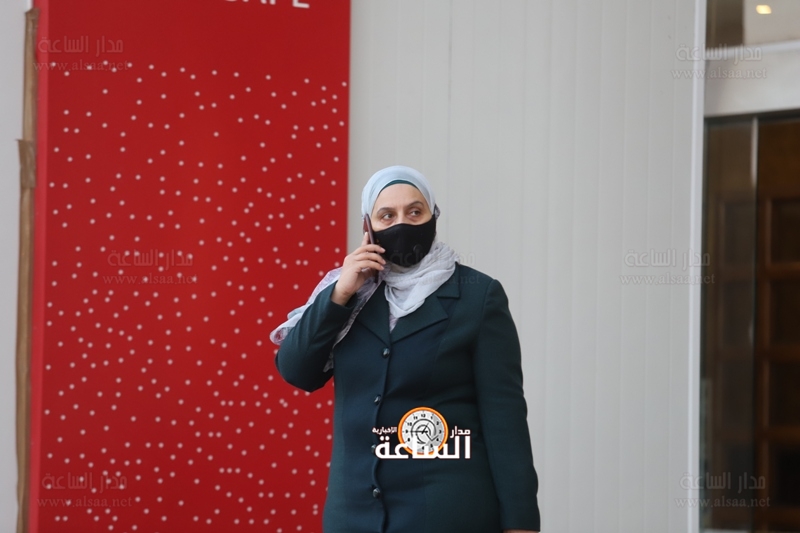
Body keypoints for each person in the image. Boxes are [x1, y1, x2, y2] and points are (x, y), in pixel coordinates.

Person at [271, 166, 540, 533]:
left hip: (447, 514)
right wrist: (340, 294)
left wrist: (521, 523)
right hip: (354, 516)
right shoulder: (352, 295)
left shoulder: (478, 295)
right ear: (368, 227)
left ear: (434, 216)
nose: (402, 224)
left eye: (415, 212)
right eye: (387, 215)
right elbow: (297, 371)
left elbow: (505, 419)